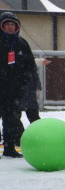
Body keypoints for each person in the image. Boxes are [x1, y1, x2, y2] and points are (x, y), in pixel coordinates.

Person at [0, 12, 37, 158]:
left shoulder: (22, 43)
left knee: (12, 120)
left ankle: (9, 148)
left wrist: (25, 81)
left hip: (15, 90)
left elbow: (30, 65)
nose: (10, 27)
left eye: (12, 25)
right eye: (7, 24)